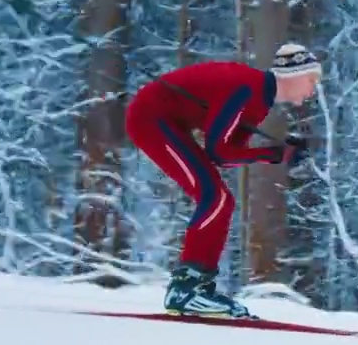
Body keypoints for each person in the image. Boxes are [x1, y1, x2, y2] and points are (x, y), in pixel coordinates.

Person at [125, 43, 321, 319]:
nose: (313, 89)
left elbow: (225, 157)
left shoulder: (259, 101)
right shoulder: (247, 88)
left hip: (170, 122)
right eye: (311, 80)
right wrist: (272, 153)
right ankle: (186, 290)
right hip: (151, 118)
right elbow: (217, 150)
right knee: (213, 197)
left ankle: (199, 287)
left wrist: (276, 154)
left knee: (221, 200)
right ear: (292, 75)